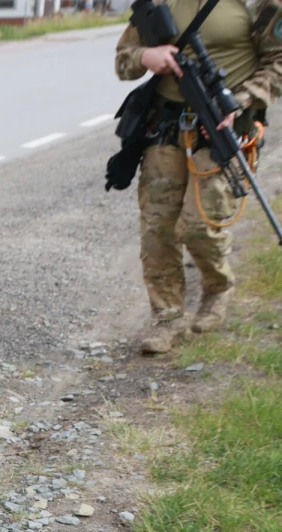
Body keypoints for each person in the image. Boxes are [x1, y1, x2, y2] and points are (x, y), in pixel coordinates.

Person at [114, 0, 282, 354]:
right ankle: (167, 318)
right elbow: (123, 60)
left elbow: (279, 62)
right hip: (164, 128)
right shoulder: (159, 3)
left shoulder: (258, 4)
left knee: (198, 224)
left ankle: (217, 288)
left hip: (224, 128)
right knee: (158, 230)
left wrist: (240, 99)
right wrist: (147, 57)